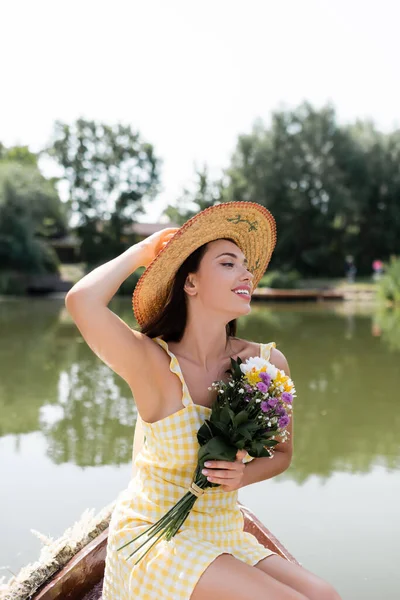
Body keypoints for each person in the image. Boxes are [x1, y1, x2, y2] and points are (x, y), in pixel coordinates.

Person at [66, 201, 341, 600]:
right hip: (155, 534)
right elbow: (82, 301)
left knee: (325, 596)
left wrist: (243, 476)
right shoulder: (153, 363)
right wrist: (143, 252)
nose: (247, 273)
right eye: (228, 263)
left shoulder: (266, 364)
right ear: (190, 283)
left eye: (246, 266)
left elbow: (282, 454)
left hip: (223, 528)